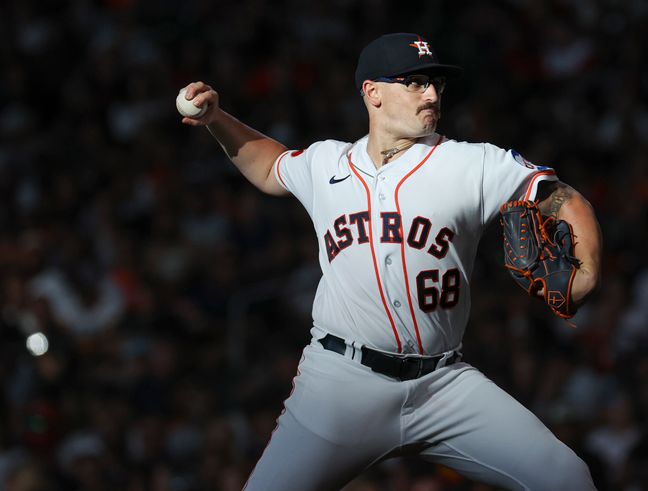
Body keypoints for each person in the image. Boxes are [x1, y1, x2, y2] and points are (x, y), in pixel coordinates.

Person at [179, 32, 601, 490]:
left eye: (436, 83)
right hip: (341, 383)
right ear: (372, 92)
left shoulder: (472, 163)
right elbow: (269, 165)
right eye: (415, 82)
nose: (432, 94)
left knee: (567, 478)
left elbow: (561, 197)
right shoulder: (327, 163)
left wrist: (588, 271)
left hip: (444, 385)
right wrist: (217, 119)